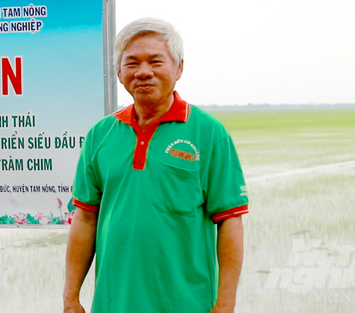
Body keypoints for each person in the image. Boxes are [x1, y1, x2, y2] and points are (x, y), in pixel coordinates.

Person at [63, 18, 249, 313]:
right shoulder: (100, 135)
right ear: (119, 72)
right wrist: (71, 297)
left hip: (186, 304)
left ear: (179, 68)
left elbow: (230, 220)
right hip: (113, 304)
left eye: (156, 61)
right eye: (132, 62)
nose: (144, 72)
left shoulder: (208, 133)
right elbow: (85, 219)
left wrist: (225, 305)